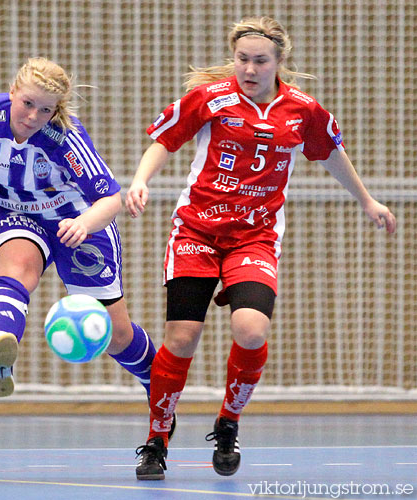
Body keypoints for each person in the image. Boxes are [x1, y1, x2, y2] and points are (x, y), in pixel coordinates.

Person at [126, 16, 397, 480]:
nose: (249, 69)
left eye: (260, 61)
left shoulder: (302, 110)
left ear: (278, 63)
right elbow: (164, 140)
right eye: (242, 59)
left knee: (251, 330)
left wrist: (367, 199)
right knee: (182, 339)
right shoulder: (211, 98)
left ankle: (228, 421)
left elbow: (331, 152)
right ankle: (156, 438)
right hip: (196, 232)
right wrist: (139, 180)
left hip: (255, 236)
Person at [0, 57, 160, 407]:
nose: (32, 116)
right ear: (13, 92)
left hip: (74, 222)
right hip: (14, 212)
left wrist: (83, 224)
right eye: (27, 104)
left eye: (44, 110)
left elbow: (110, 200)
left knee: (117, 335)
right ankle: (0, 348)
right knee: (16, 271)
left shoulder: (66, 137)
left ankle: (158, 382)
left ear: (55, 110)